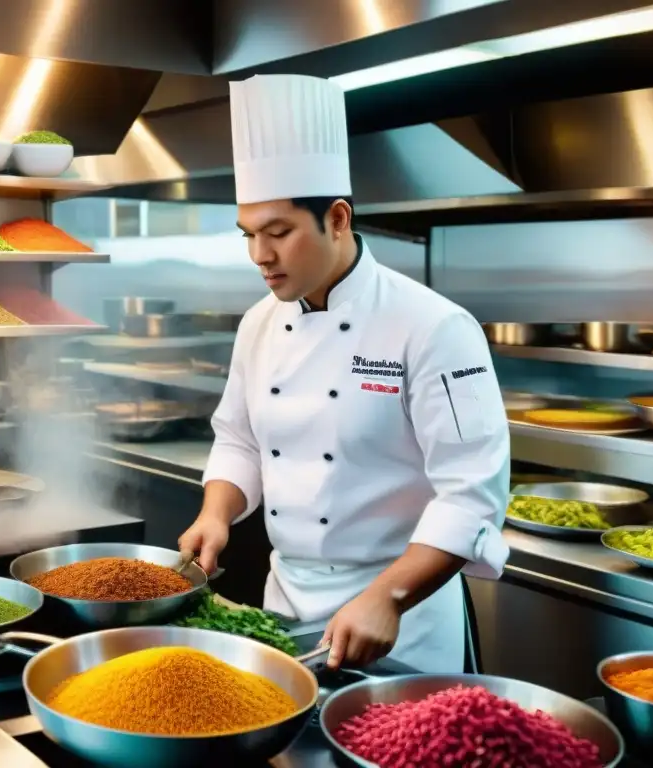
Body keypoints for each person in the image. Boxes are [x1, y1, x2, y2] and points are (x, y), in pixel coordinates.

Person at [178, 74, 510, 674]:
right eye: (249, 235)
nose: (260, 255)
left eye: (278, 232)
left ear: (336, 218)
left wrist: (389, 596)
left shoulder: (435, 326)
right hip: (285, 606)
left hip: (402, 620)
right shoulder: (258, 323)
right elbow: (240, 439)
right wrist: (216, 514)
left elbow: (472, 494)